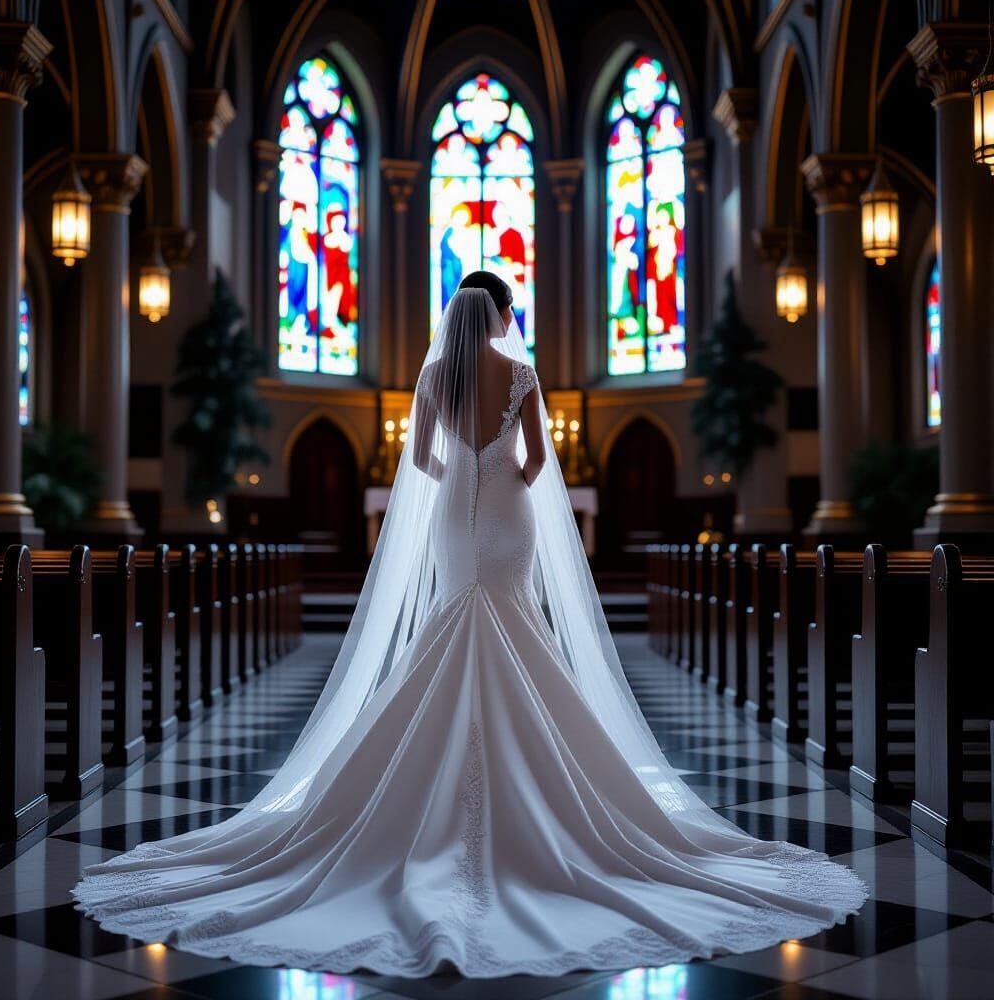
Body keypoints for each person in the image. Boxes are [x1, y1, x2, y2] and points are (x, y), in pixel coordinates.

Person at [74, 270, 865, 978]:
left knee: (454, 619)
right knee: (515, 621)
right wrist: (500, 469)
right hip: (511, 516)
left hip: (454, 513)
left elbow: (418, 463)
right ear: (502, 316)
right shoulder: (520, 374)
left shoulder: (432, 381)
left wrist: (463, 469)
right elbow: (539, 464)